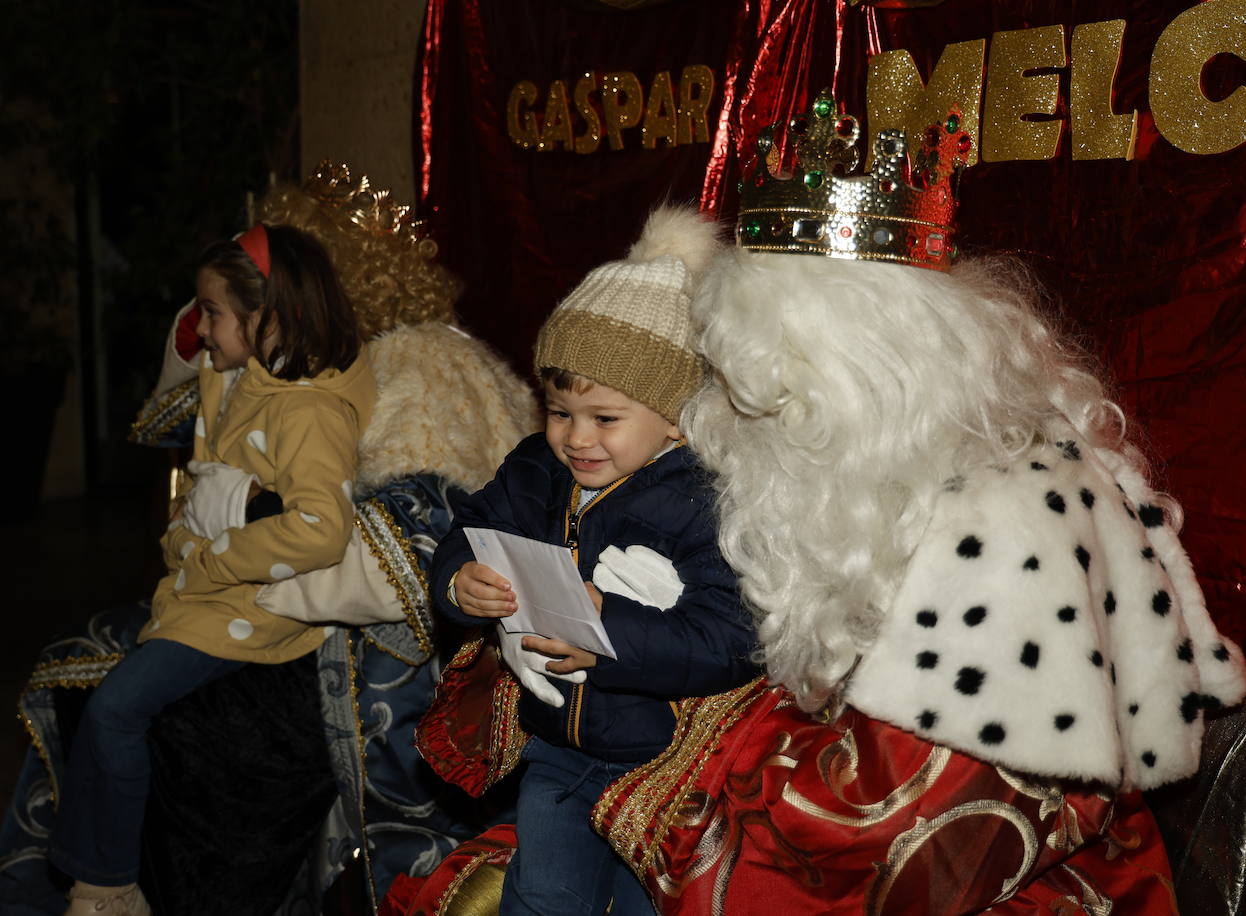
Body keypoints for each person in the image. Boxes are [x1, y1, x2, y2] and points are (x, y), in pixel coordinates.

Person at [390, 94, 1246, 915]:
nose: (720, 424)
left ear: (866, 379)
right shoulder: (846, 484)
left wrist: (669, 774)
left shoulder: (1016, 529)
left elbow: (921, 839)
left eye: (757, 394)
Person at [423, 206, 761, 916]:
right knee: (541, 900)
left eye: (605, 418)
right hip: (558, 752)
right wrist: (460, 582)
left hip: (667, 772)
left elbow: (733, 642)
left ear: (674, 415)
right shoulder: (535, 470)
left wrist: (613, 634)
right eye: (558, 411)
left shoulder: (706, 501)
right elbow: (471, 530)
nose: (576, 439)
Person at [48, 221, 376, 915]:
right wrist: (188, 541)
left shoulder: (311, 411)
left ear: (273, 321)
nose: (199, 328)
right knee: (96, 698)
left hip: (251, 613)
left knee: (114, 710)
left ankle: (108, 887)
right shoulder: (233, 378)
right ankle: (87, 875)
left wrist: (215, 558)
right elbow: (201, 488)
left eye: (215, 313)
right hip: (206, 595)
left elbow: (321, 532)